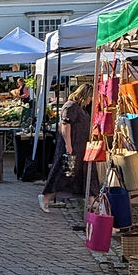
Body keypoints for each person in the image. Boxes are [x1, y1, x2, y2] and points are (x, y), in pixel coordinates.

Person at [39, 84, 97, 212]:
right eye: (90, 97)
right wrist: (68, 145)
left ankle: (92, 201)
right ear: (85, 95)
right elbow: (65, 125)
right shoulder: (71, 107)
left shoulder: (80, 108)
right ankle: (45, 197)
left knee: (88, 173)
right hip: (72, 146)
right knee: (63, 174)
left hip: (81, 147)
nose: (90, 100)